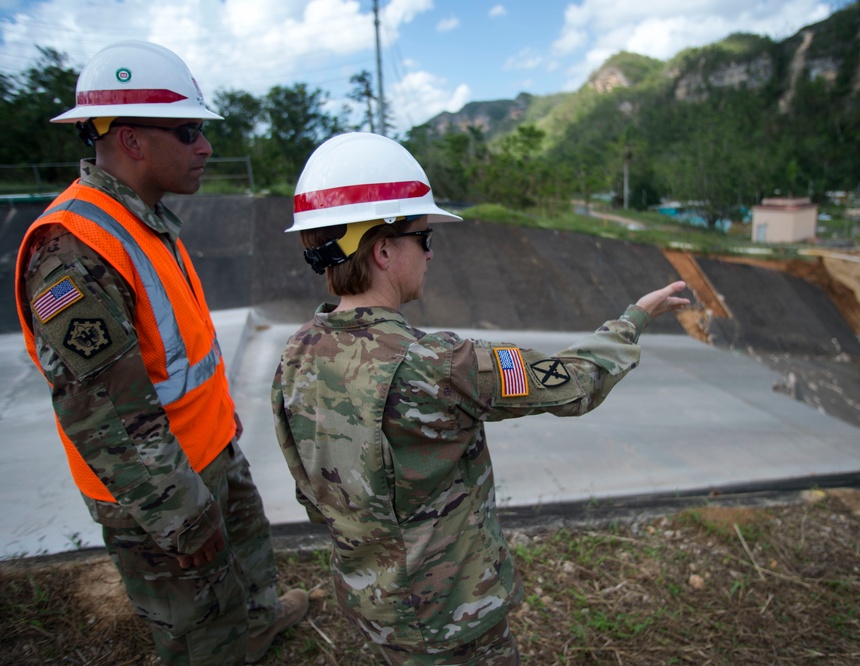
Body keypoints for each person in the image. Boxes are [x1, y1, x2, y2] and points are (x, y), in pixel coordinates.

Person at [272, 132, 691, 665]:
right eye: (424, 236)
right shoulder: (446, 365)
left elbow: (312, 494)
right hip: (451, 619)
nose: (430, 251)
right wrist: (636, 318)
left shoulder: (297, 354)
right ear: (383, 250)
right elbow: (577, 380)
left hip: (372, 608)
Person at [14, 40, 307, 665]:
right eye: (188, 130)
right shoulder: (72, 251)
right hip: (160, 488)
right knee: (197, 629)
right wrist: (178, 514)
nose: (204, 146)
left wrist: (221, 444)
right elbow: (103, 414)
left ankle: (255, 628)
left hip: (209, 453)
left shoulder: (142, 218)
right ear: (132, 140)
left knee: (247, 573)